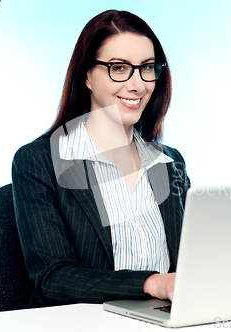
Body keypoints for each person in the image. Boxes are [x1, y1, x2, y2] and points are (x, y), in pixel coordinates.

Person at [11, 10, 190, 308]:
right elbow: (53, 279)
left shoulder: (169, 163)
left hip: (162, 321)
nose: (137, 85)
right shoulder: (38, 162)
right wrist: (152, 282)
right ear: (87, 76)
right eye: (119, 68)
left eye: (147, 68)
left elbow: (191, 261)